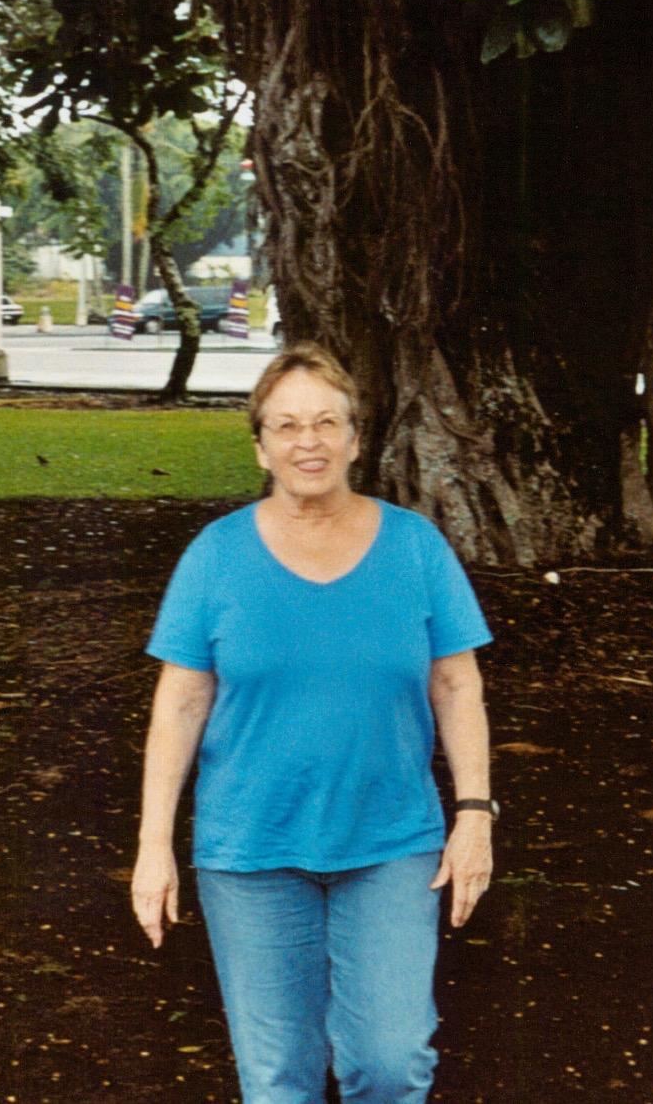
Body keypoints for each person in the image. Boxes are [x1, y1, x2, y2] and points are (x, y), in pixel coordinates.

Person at [131, 342, 496, 1103]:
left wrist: (474, 815)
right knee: (278, 1081)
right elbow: (180, 702)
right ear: (260, 446)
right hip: (251, 849)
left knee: (390, 1062)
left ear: (356, 440)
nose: (310, 442)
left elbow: (457, 683)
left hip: (391, 843)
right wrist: (153, 846)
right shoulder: (215, 556)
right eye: (288, 425)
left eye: (328, 422)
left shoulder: (415, 547)